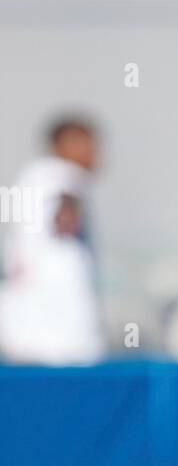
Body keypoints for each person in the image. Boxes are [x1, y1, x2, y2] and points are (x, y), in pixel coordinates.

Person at [0, 117, 106, 364]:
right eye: (86, 144)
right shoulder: (62, 176)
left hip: (28, 329)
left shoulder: (33, 177)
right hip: (55, 336)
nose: (94, 153)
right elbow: (64, 211)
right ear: (62, 145)